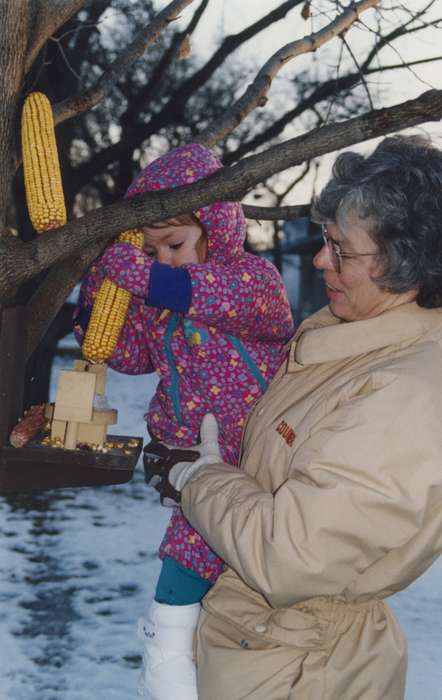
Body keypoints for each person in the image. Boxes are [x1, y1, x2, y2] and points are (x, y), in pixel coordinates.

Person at [161, 135, 442, 700]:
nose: (319, 260)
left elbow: (291, 557)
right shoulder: (350, 335)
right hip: (267, 645)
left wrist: (199, 478)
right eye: (324, 239)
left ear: (404, 260)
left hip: (305, 669)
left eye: (342, 250)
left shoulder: (408, 393)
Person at [73, 143, 294, 699]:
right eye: (151, 249)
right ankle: (178, 653)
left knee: (198, 555)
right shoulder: (161, 306)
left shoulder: (251, 280)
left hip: (251, 457)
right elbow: (126, 354)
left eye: (172, 244)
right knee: (203, 555)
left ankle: (169, 659)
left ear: (214, 226)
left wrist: (142, 275)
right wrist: (99, 288)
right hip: (185, 462)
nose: (163, 259)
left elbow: (201, 292)